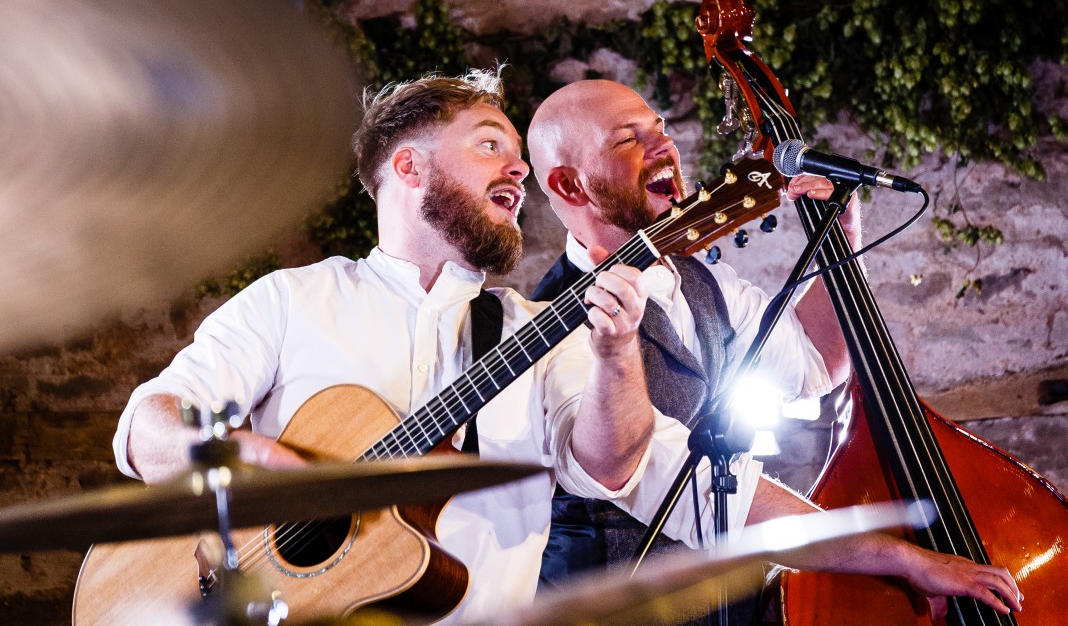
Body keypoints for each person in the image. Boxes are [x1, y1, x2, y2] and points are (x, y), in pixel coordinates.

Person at [111, 70, 657, 624]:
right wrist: (242, 462)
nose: (519, 169)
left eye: (518, 155)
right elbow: (141, 432)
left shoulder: (540, 331)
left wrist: (617, 356)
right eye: (490, 144)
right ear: (409, 167)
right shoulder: (291, 300)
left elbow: (609, 470)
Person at [526, 78, 1023, 621]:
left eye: (661, 129)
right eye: (627, 139)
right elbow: (673, 479)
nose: (663, 147)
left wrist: (841, 234)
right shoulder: (549, 329)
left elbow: (815, 362)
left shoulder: (704, 284)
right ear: (570, 186)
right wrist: (900, 558)